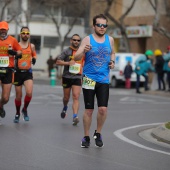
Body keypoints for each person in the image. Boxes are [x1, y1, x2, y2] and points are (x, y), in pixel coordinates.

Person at [74, 14, 115, 148]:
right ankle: (86, 136)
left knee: (102, 109)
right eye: (99, 25)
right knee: (89, 110)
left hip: (103, 79)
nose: (102, 28)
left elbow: (112, 53)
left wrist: (112, 61)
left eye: (104, 25)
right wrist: (83, 51)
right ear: (94, 26)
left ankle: (98, 133)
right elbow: (76, 58)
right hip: (89, 78)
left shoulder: (110, 40)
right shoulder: (87, 39)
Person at [56, 34, 84, 126]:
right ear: (71, 41)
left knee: (76, 96)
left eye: (78, 40)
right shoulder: (66, 51)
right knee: (66, 98)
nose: (76, 42)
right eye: (74, 40)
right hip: (67, 77)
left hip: (77, 77)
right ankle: (65, 107)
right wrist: (68, 63)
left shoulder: (82, 52)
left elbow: (86, 63)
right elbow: (58, 61)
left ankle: (75, 116)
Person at [13, 26, 37, 123]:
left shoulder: (31, 46)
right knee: (18, 96)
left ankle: (25, 109)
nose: (25, 35)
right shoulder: (16, 45)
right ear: (20, 34)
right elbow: (11, 56)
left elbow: (34, 54)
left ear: (29, 35)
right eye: (23, 33)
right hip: (18, 73)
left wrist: (34, 58)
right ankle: (18, 112)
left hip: (27, 72)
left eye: (27, 33)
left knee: (29, 92)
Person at [0, 21, 22, 120]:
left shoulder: (12, 40)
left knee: (5, 98)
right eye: (1, 29)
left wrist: (13, 52)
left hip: (8, 70)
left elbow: (20, 52)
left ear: (7, 30)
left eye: (4, 29)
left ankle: (1, 105)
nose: (3, 31)